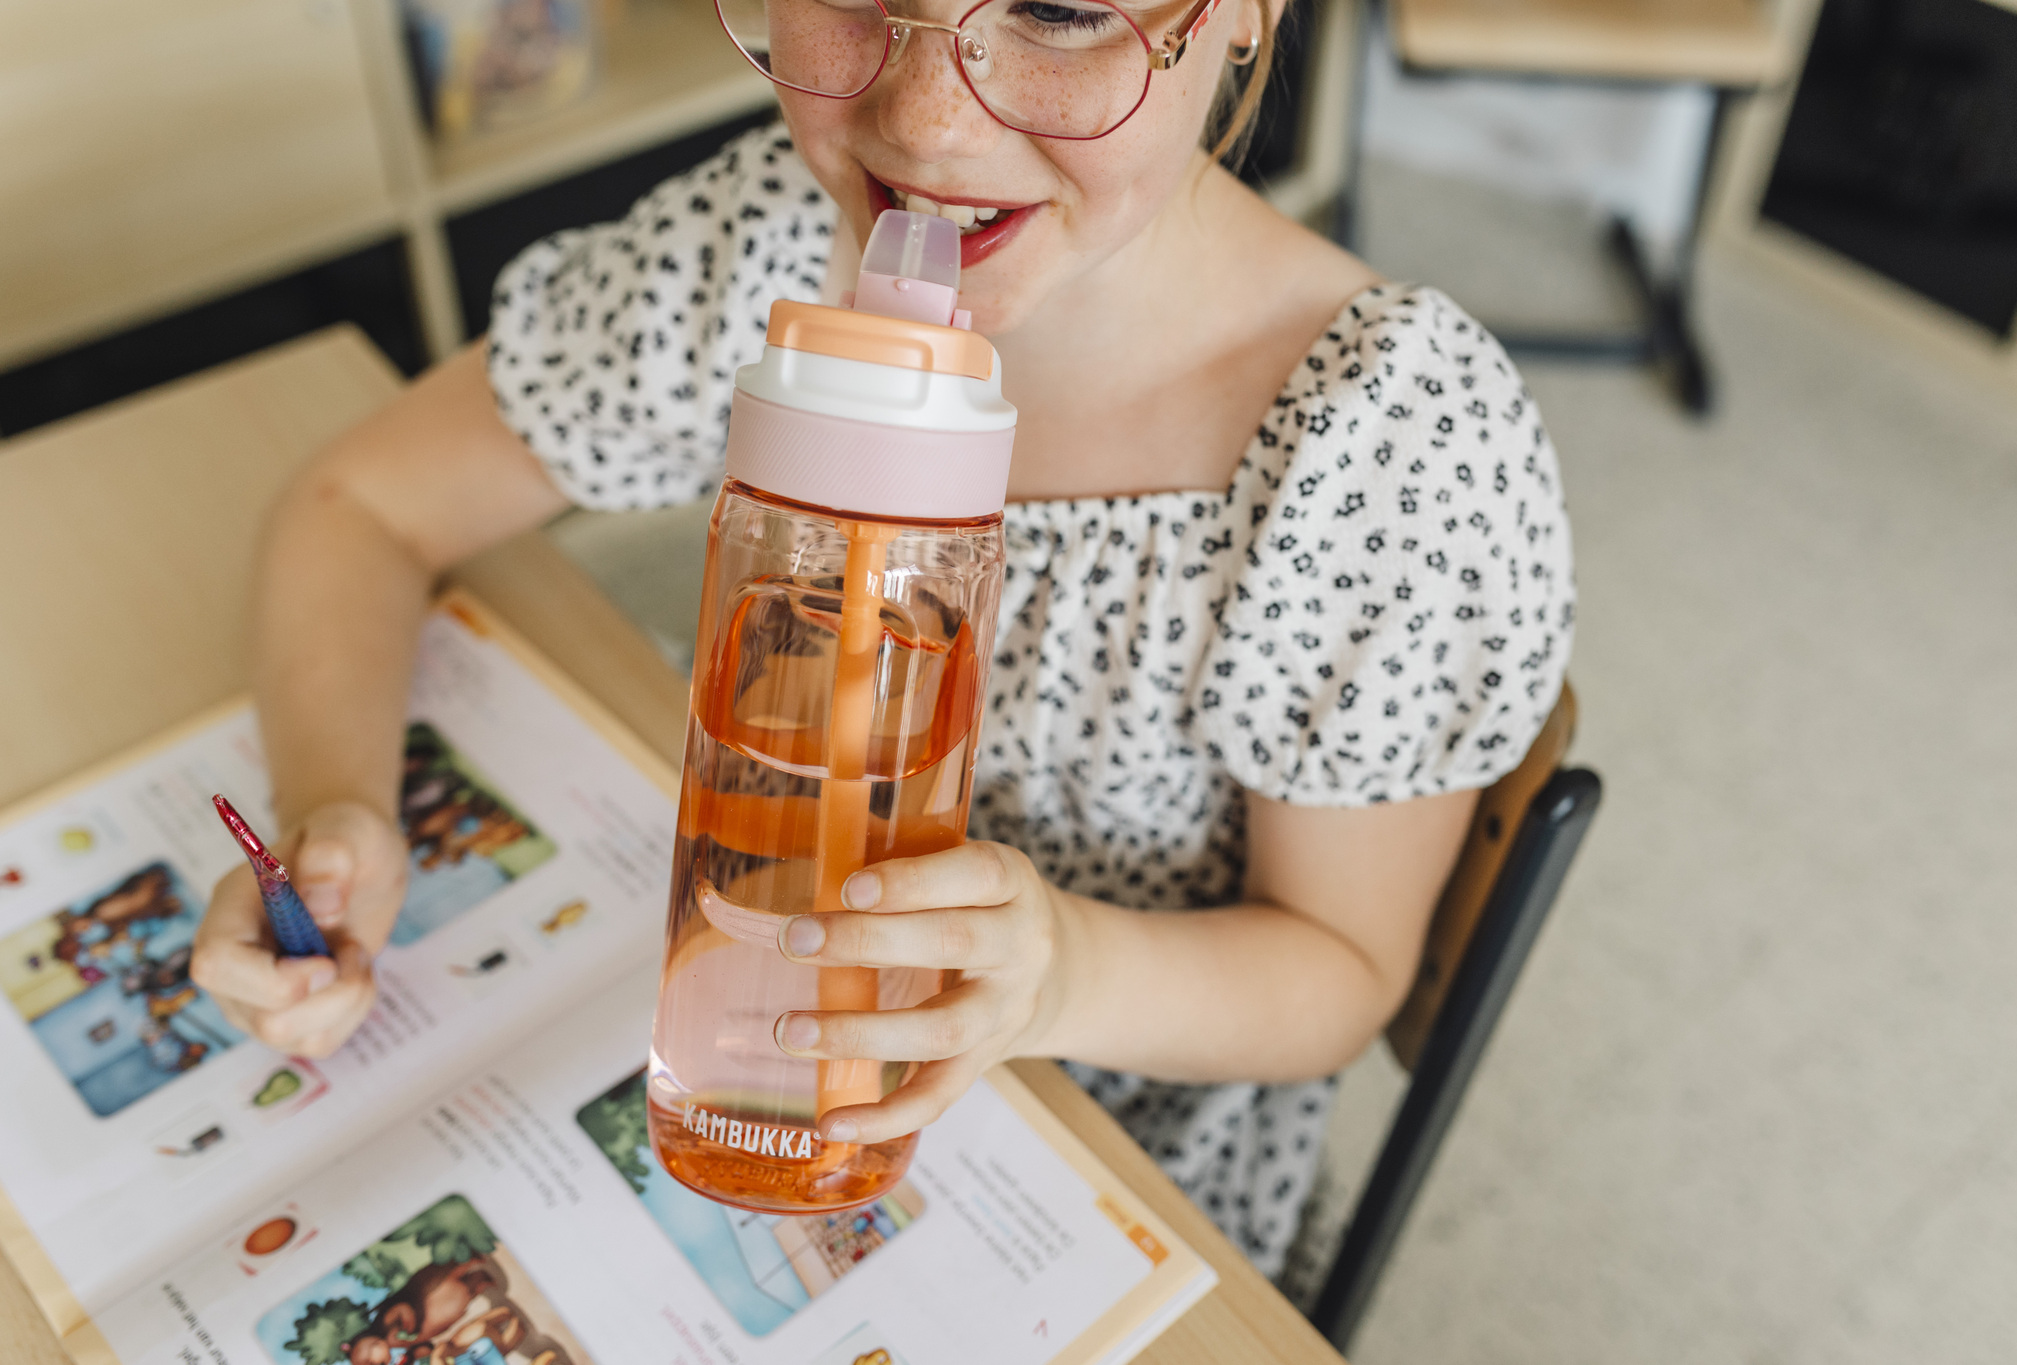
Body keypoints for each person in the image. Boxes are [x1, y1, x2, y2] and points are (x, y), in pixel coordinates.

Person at [191, 0, 1573, 1274]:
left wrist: (1055, 975)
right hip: (725, 1046)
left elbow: (1338, 970)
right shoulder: (774, 244)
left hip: (1102, 1171)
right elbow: (358, 504)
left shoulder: (1385, 444)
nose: (926, 123)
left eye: (1060, 10)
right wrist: (334, 803)